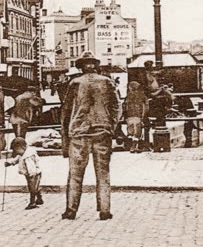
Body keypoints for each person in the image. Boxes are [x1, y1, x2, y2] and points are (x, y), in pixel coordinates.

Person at [61, 51, 119, 220]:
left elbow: (65, 111)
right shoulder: (107, 82)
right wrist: (111, 126)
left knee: (75, 173)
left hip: (79, 133)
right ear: (96, 65)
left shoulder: (75, 83)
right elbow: (116, 106)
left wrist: (65, 134)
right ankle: (105, 210)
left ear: (81, 67)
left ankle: (71, 209)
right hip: (102, 131)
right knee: (103, 173)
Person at [5, 138, 43, 210]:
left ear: (22, 147)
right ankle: (39, 199)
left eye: (16, 150)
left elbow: (31, 167)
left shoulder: (28, 156)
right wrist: (10, 163)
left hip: (34, 174)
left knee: (32, 188)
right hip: (29, 174)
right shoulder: (22, 154)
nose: (16, 152)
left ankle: (32, 203)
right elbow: (17, 159)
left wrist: (31, 175)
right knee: (35, 187)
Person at [123, 81, 147, 153]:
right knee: (137, 132)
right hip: (138, 116)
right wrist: (143, 116)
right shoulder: (142, 96)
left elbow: (124, 107)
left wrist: (125, 116)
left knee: (130, 131)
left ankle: (130, 146)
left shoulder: (128, 97)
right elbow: (145, 107)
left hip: (129, 117)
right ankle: (135, 146)